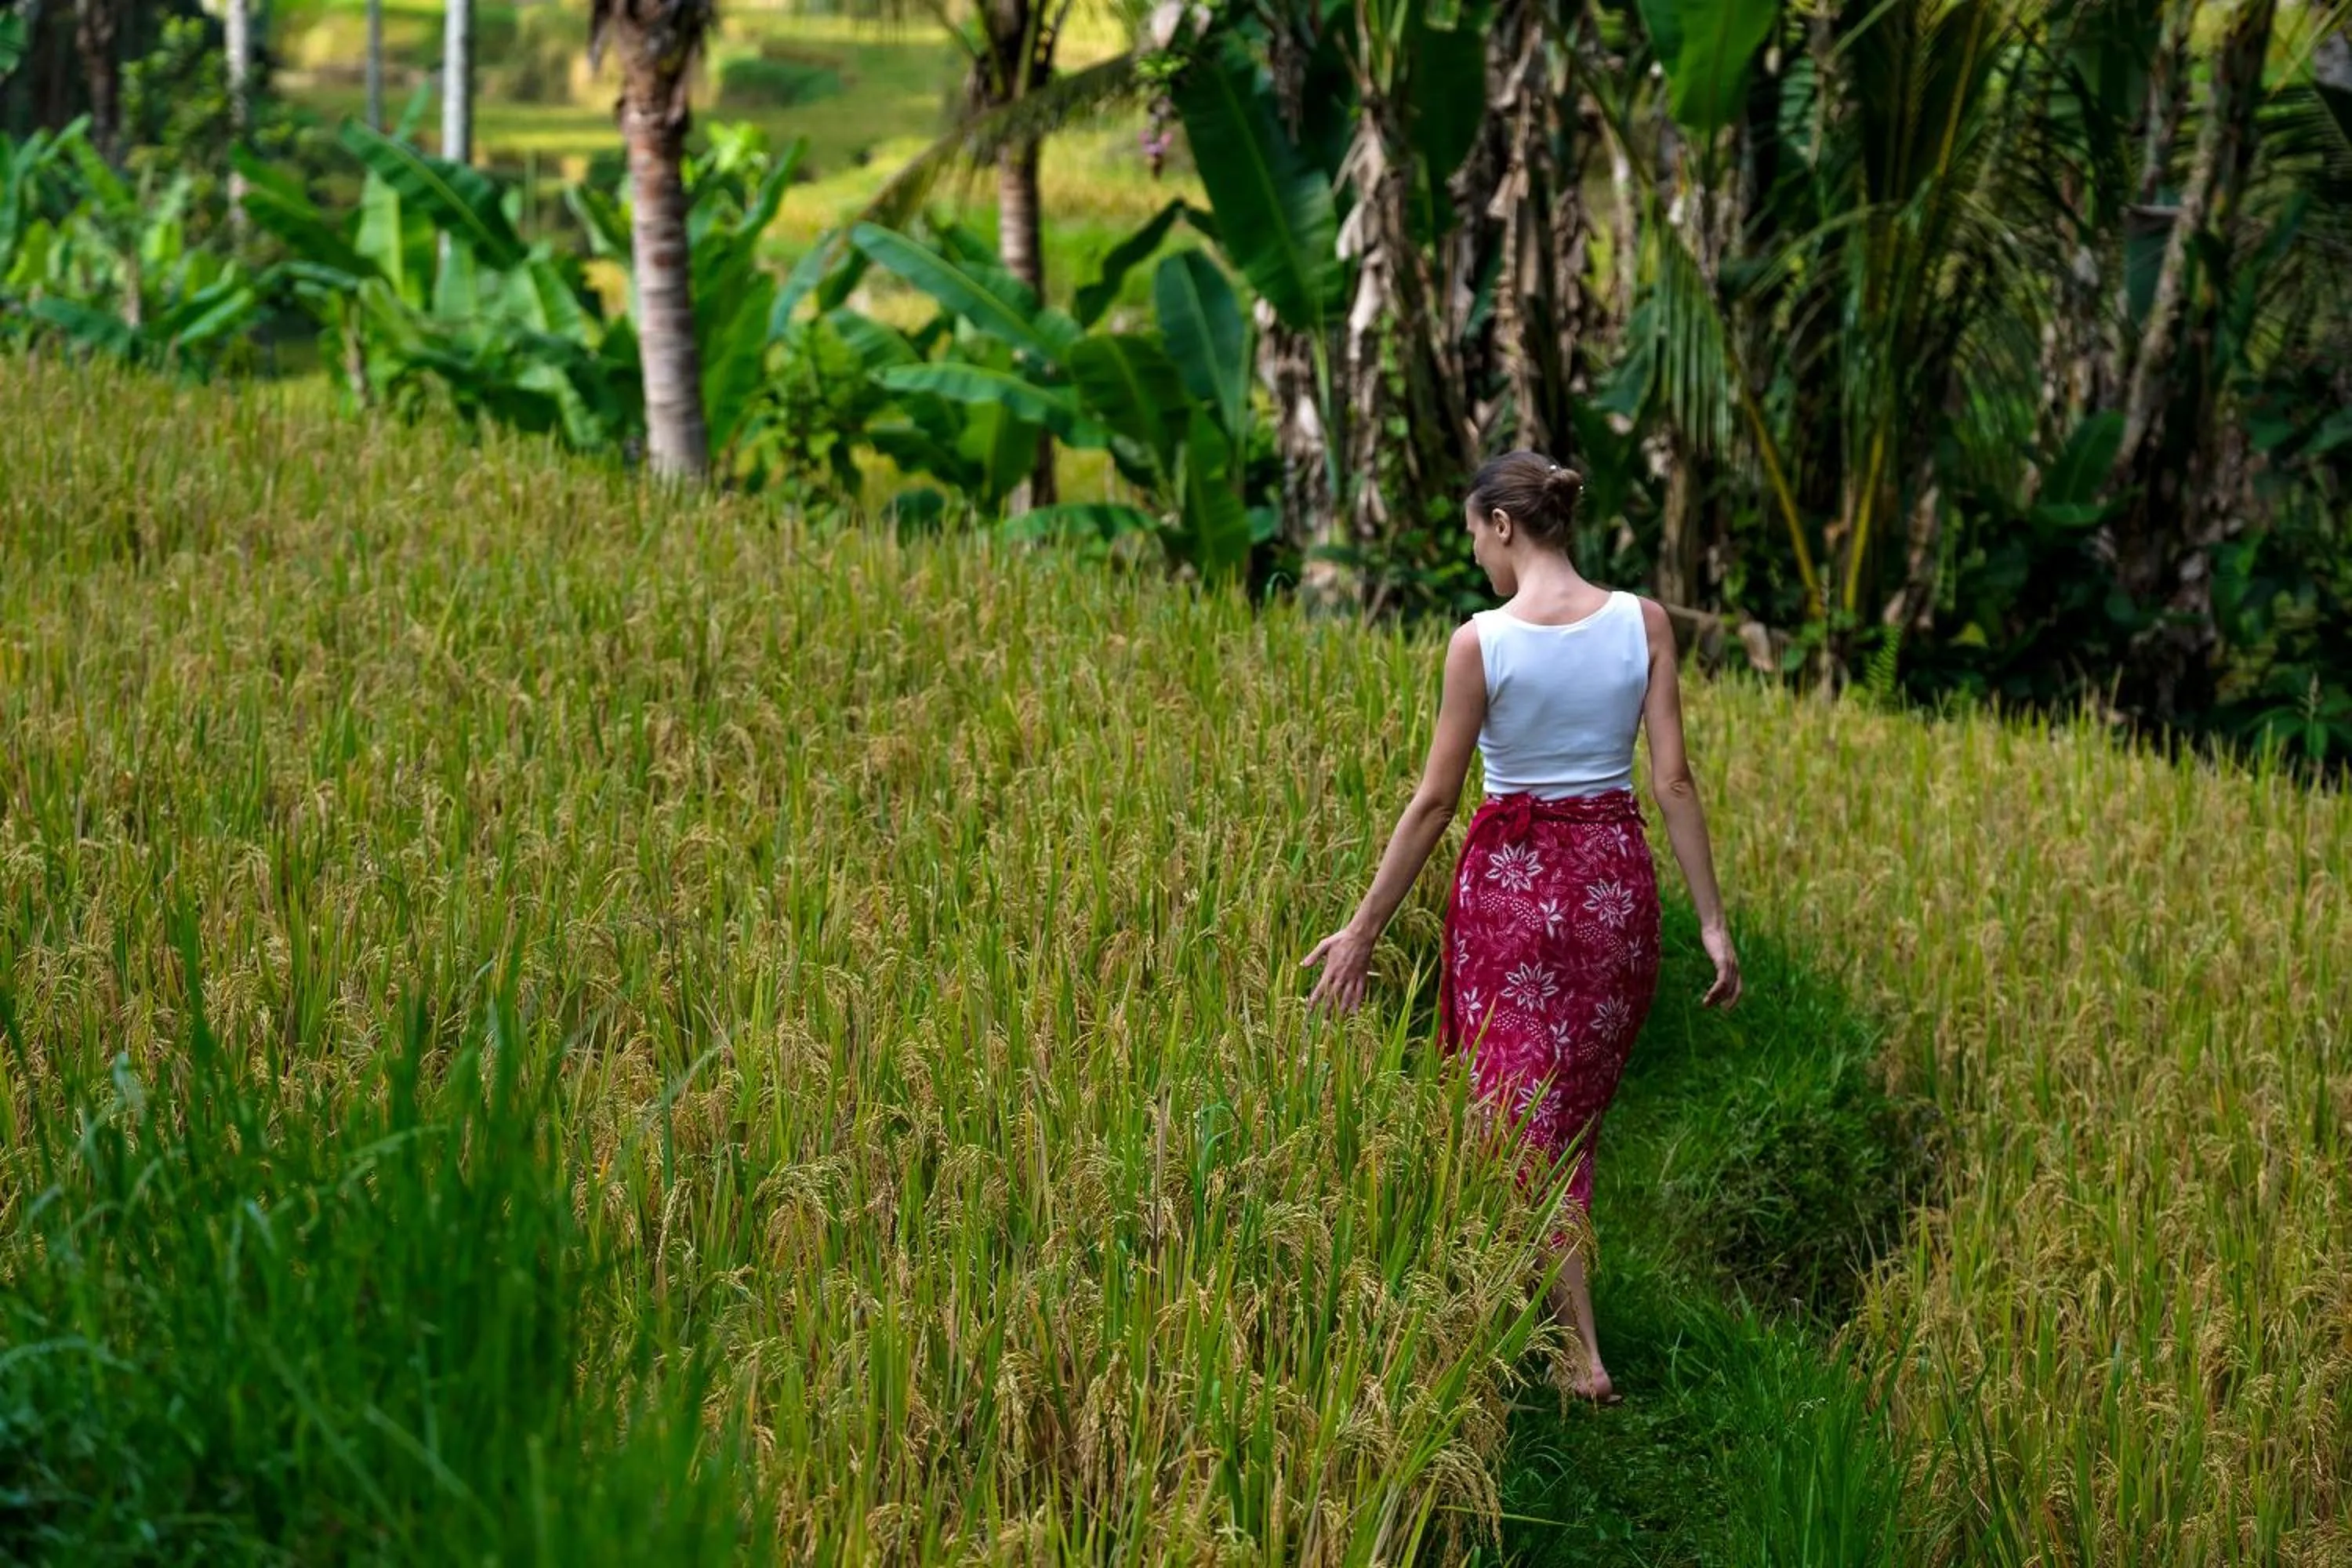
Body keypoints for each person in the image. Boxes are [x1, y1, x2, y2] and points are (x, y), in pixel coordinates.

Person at [1301, 449, 1740, 1406]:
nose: (1476, 558)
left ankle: (1576, 1349)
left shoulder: (1480, 640)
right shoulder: (1645, 621)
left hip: (1511, 888)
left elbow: (1434, 801)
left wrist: (1363, 928)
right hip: (1614, 895)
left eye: (1473, 535)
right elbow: (1672, 782)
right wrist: (1711, 923)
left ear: (1503, 524)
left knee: (1519, 1119)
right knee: (1557, 1120)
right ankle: (1550, 1321)